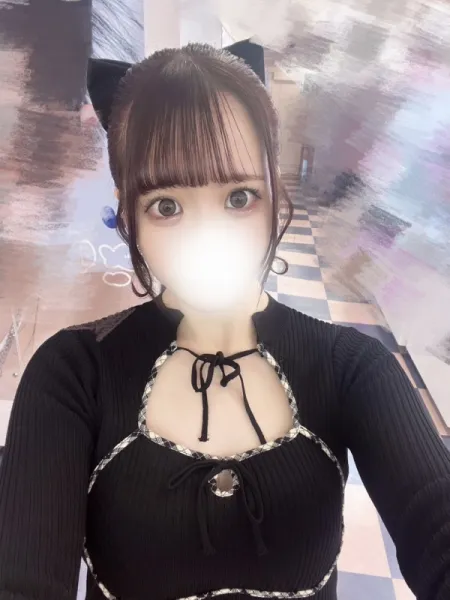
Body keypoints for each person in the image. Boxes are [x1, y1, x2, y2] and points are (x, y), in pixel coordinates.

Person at [0, 42, 449, 600]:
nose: (207, 237)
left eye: (239, 197)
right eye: (167, 206)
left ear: (275, 194)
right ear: (128, 215)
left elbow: (436, 520)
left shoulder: (352, 367)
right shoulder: (72, 373)